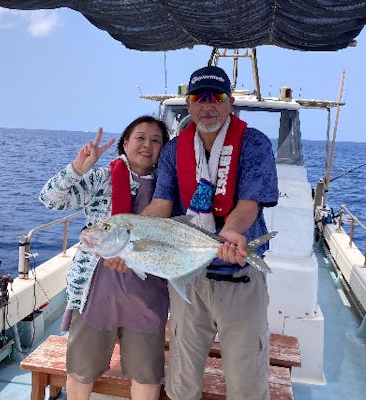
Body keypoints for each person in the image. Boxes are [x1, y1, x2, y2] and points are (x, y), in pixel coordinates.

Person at [140, 65, 278, 400]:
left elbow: (249, 204)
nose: (207, 105)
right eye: (198, 98)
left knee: (245, 382)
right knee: (182, 377)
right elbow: (162, 203)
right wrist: (129, 231)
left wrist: (229, 234)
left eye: (216, 97)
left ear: (230, 102)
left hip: (240, 275)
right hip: (188, 278)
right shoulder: (174, 150)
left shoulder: (254, 143)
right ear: (188, 105)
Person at [39, 115, 170, 400]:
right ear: (125, 142)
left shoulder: (166, 187)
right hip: (97, 291)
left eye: (156, 140)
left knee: (146, 373)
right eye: (140, 137)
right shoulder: (102, 179)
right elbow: (50, 199)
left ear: (163, 149)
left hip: (148, 293)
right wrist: (78, 168)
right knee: (82, 369)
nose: (147, 145)